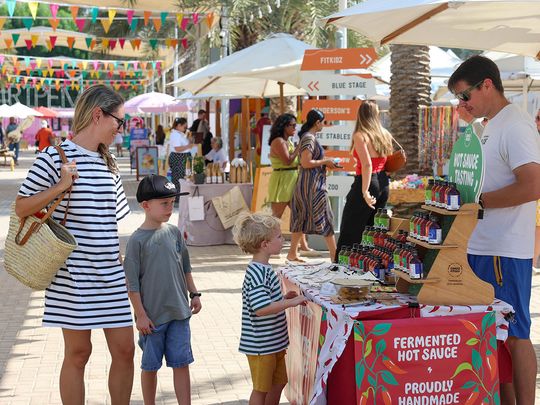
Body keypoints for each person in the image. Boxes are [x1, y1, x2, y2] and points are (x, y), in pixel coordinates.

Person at [15, 85, 134, 404]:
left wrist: (123, 267)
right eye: (119, 121)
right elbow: (21, 207)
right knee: (79, 352)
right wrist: (61, 186)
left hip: (110, 272)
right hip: (73, 274)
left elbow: (110, 222)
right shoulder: (54, 158)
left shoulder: (110, 164)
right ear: (99, 114)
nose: (120, 129)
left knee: (125, 349)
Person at [448, 55, 540, 405]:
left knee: (515, 335)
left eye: (465, 95)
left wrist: (480, 203)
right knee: (494, 335)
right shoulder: (491, 125)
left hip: (504, 250)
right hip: (484, 245)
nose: (462, 104)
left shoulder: (515, 125)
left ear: (487, 84)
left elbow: (533, 185)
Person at [124, 175, 201, 405]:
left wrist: (194, 293)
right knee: (150, 367)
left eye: (172, 202)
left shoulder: (175, 232)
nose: (170, 208)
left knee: (181, 363)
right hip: (152, 319)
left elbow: (185, 267)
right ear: (146, 206)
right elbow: (132, 284)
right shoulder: (136, 241)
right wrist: (141, 315)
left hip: (179, 313)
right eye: (164, 203)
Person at [232, 213, 307, 405]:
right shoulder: (258, 272)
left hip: (273, 343)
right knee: (261, 389)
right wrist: (291, 302)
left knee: (278, 382)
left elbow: (264, 301)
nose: (283, 239)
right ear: (265, 244)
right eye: (279, 237)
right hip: (261, 346)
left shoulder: (262, 269)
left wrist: (282, 298)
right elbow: (261, 308)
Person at [335, 101, 393, 262]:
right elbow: (387, 161)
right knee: (373, 229)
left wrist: (364, 191)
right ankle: (371, 265)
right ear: (376, 114)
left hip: (368, 181)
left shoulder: (361, 135)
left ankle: (343, 266)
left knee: (350, 228)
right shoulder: (384, 134)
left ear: (360, 114)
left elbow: (367, 164)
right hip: (383, 181)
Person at [288, 109, 338, 262]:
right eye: (323, 122)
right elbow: (305, 162)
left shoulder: (307, 137)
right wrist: (325, 162)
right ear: (317, 123)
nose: (324, 124)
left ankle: (292, 254)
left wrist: (325, 163)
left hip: (305, 185)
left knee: (300, 218)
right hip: (313, 186)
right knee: (326, 218)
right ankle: (334, 256)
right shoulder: (309, 138)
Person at [267, 113, 314, 257]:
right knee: (276, 217)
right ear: (284, 126)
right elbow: (287, 160)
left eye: (296, 125)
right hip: (282, 180)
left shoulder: (287, 141)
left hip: (291, 179)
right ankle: (271, 246)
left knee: (299, 213)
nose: (295, 127)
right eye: (292, 125)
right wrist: (300, 146)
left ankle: (304, 246)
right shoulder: (279, 141)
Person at [169, 117, 194, 205]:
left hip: (182, 157)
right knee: (179, 178)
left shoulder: (179, 134)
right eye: (184, 126)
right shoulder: (175, 135)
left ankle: (180, 197)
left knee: (182, 177)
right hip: (178, 157)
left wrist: (189, 141)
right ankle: (178, 198)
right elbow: (177, 148)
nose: (185, 128)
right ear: (179, 126)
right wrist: (188, 146)